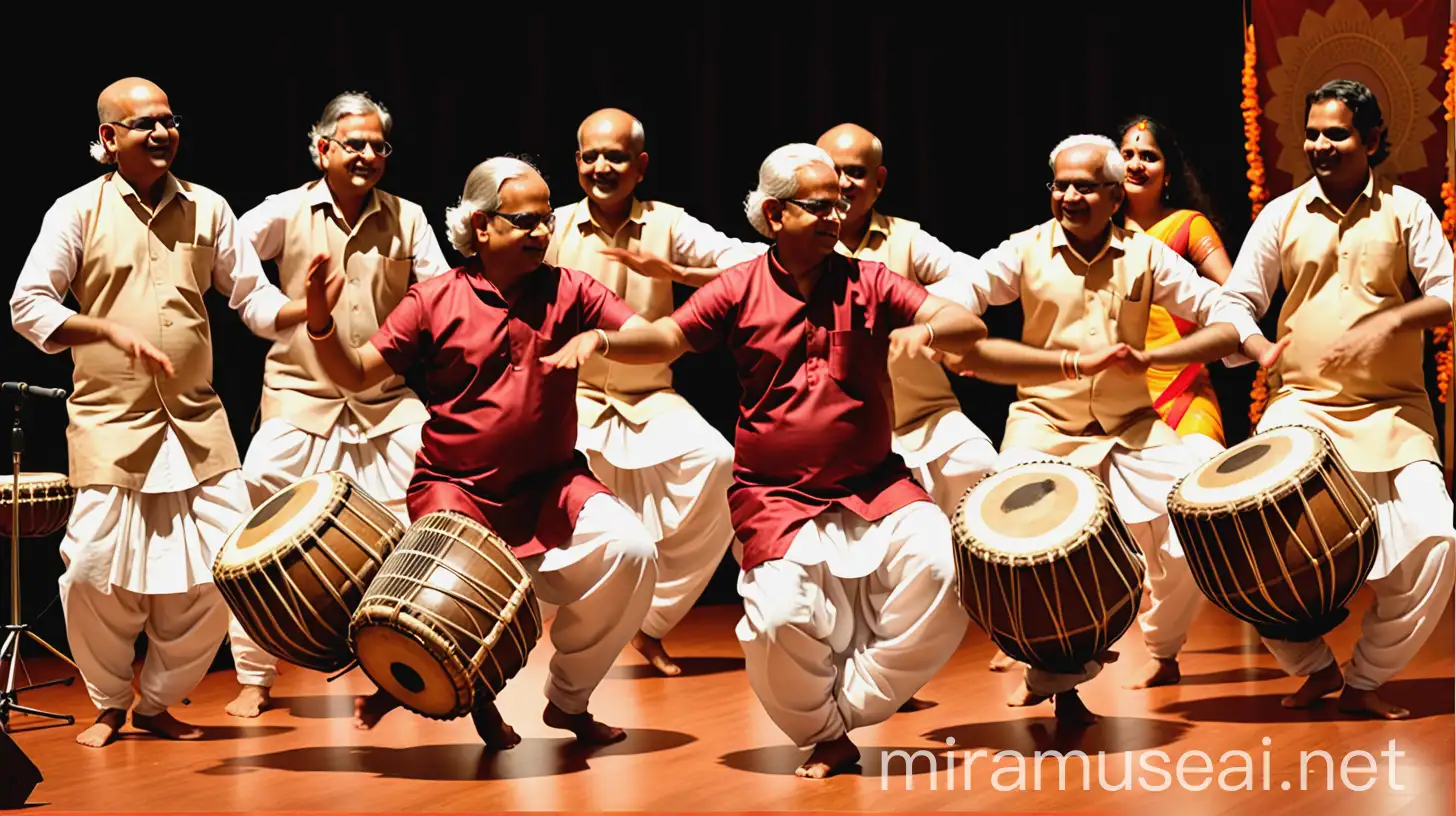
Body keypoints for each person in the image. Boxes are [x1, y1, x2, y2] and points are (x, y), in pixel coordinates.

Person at [544, 143, 983, 779]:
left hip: (875, 484)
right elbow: (668, 338)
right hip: (776, 494)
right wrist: (605, 338)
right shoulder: (740, 287)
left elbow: (960, 319)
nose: (836, 217)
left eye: (839, 205)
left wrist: (930, 327)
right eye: (819, 207)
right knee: (779, 620)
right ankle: (824, 733)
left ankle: (853, 703)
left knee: (943, 572)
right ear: (775, 215)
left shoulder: (868, 279)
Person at [305, 156, 658, 745]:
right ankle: (475, 703)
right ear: (480, 225)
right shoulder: (433, 299)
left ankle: (568, 701)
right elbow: (358, 371)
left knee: (632, 551)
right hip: (457, 489)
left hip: (553, 485)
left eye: (546, 219)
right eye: (525, 220)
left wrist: (601, 335)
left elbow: (651, 340)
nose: (542, 232)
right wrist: (320, 322)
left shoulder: (570, 288)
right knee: (453, 609)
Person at [9, 77, 298, 747]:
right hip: (111, 423)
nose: (163, 133)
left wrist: (299, 312)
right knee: (89, 571)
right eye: (145, 124)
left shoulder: (209, 208)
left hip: (198, 424)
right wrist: (103, 330)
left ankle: (160, 700)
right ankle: (109, 700)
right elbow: (29, 306)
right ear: (109, 139)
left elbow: (252, 299)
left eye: (169, 120)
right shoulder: (75, 211)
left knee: (226, 570)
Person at [938, 134, 1245, 720]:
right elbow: (963, 291)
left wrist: (1183, 351)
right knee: (1012, 545)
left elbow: (1223, 308)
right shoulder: (1024, 250)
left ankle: (1159, 645)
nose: (1070, 196)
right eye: (1060, 185)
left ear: (1112, 196)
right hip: (1043, 425)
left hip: (1132, 425)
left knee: (1194, 533)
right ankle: (1063, 681)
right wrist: (936, 324)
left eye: (1085, 186)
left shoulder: (1147, 255)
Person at [1217, 79, 1455, 720]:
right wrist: (1258, 347)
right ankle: (1314, 668)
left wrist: (1389, 322)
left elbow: (1448, 292)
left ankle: (1367, 679)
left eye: (1337, 133)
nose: (1320, 145)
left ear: (1373, 140)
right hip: (1302, 408)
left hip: (1394, 411)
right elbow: (1236, 301)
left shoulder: (1408, 211)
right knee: (1239, 536)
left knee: (1436, 538)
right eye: (1313, 132)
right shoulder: (1282, 214)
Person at [226, 91, 451, 717]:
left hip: (385, 399)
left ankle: (407, 658)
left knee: (432, 504)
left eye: (380, 145)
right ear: (321, 147)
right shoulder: (281, 212)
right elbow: (233, 273)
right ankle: (254, 676)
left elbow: (436, 298)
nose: (370, 155)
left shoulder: (407, 216)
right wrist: (293, 308)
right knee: (256, 506)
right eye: (355, 144)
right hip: (299, 396)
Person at [543, 108, 766, 675]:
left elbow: (757, 259)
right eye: (590, 156)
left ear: (640, 166)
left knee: (717, 461)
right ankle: (566, 632)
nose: (601, 166)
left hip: (650, 396)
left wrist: (677, 270)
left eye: (615, 156)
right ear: (575, 163)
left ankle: (649, 622)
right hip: (577, 396)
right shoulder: (552, 227)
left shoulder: (666, 221)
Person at [814, 123, 998, 516]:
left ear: (878, 181)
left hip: (924, 415)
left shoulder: (907, 239)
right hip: (836, 425)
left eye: (856, 173)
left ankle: (970, 579)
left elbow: (973, 278)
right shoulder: (800, 243)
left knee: (981, 466)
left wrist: (922, 316)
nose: (844, 183)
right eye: (834, 172)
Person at [1114, 114, 1231, 456]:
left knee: (1200, 477)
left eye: (1149, 156)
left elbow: (1234, 299)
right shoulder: (1098, 238)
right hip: (1119, 402)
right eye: (1127, 156)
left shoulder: (1188, 226)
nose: (1137, 164)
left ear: (1168, 175)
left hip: (1186, 391)